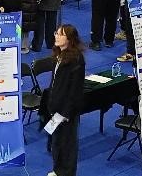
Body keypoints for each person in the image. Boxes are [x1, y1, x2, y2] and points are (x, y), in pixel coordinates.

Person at [46, 24, 86, 176]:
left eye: (60, 34)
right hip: (55, 108)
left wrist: (65, 113)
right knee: (57, 142)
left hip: (66, 111)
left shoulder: (76, 59)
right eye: (56, 33)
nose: (56, 36)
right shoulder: (58, 54)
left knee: (67, 144)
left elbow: (75, 91)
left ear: (69, 39)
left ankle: (67, 172)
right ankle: (58, 170)